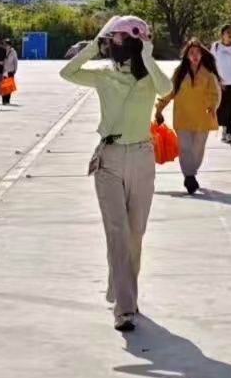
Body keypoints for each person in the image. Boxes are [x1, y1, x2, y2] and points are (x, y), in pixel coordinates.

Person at [61, 18, 164, 331]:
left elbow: (167, 88)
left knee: (135, 233)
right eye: (111, 39)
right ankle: (125, 307)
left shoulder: (149, 77)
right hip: (109, 158)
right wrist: (93, 45)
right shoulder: (104, 74)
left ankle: (121, 288)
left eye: (117, 39)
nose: (113, 44)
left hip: (142, 157)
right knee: (117, 232)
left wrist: (148, 56)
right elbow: (68, 72)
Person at [154, 38, 221, 194]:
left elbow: (214, 93)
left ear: (202, 55)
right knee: (185, 148)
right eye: (191, 53)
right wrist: (159, 108)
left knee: (197, 149)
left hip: (203, 117)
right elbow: (169, 91)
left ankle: (191, 172)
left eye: (198, 52)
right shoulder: (180, 73)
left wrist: (212, 106)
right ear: (187, 55)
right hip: (182, 117)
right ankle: (189, 176)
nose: (195, 55)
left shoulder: (208, 74)